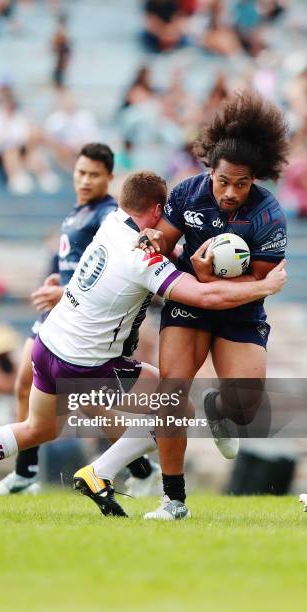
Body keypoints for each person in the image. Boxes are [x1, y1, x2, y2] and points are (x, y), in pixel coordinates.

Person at [0, 170, 286, 512]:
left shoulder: (111, 224)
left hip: (49, 345)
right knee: (177, 406)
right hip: (88, 364)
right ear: (158, 210)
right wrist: (263, 286)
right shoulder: (144, 259)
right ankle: (99, 472)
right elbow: (204, 298)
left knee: (38, 429)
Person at [133, 90, 289, 520]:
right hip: (190, 305)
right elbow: (164, 239)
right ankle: (174, 499)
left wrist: (210, 278)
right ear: (210, 171)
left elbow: (260, 281)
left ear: (254, 178)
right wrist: (155, 242)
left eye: (242, 183)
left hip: (239, 309)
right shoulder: (188, 194)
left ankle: (218, 409)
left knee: (246, 406)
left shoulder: (268, 215)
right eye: (223, 181)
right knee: (171, 391)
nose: (231, 192)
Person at [0, 143, 158, 497]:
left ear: (109, 178)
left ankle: (26, 473)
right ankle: (134, 467)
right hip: (59, 310)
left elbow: (108, 272)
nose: (85, 180)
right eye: (80, 172)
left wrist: (62, 292)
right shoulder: (80, 211)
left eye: (94, 174)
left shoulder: (108, 215)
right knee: (47, 392)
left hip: (76, 314)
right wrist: (55, 282)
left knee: (67, 396)